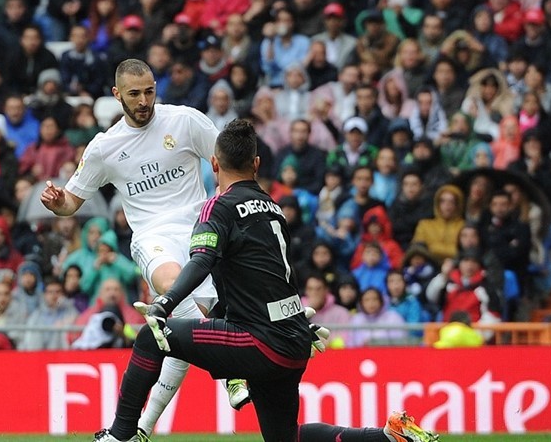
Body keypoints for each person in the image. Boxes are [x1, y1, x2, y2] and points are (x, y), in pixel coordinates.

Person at [94, 118, 437, 442]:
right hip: (292, 341)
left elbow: (201, 261)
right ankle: (388, 435)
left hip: (258, 340)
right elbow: (274, 275)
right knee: (285, 437)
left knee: (151, 337)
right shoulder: (271, 207)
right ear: (256, 164)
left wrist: (165, 303)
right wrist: (295, 319)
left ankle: (120, 435)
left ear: (214, 164)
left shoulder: (218, 208)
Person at [40, 59, 249, 437]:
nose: (143, 101)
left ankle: (139, 430)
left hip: (201, 229)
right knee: (174, 286)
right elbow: (72, 201)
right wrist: (58, 204)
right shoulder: (105, 147)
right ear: (117, 94)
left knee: (181, 335)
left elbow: (229, 164)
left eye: (149, 91)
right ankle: (231, 370)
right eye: (134, 94)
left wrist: (227, 204)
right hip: (152, 236)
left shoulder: (185, 121)